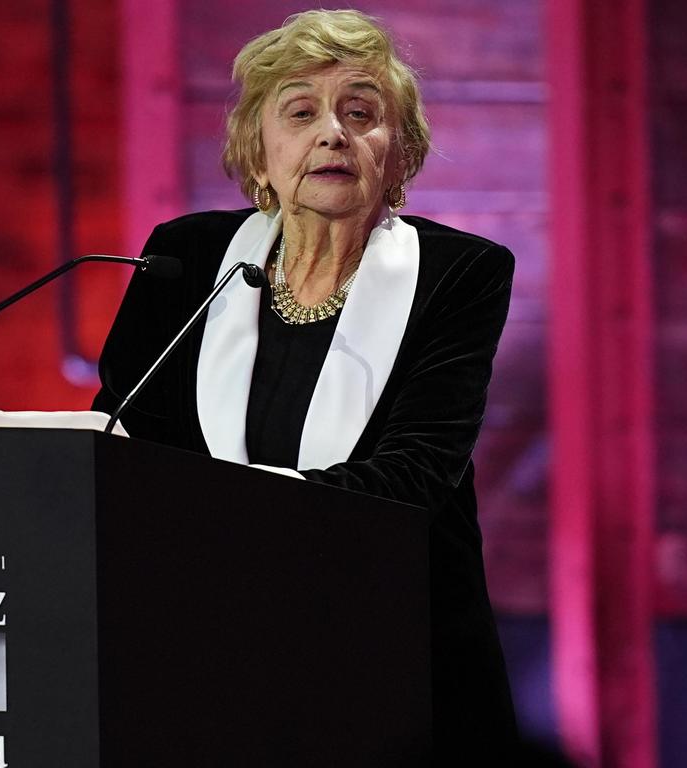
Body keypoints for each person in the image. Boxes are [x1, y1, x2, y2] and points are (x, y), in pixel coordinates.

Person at [92, 9, 517, 760]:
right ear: (258, 153)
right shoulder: (182, 261)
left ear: (401, 154)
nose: (333, 133)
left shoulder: (461, 275)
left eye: (361, 112)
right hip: (205, 652)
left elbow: (414, 476)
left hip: (396, 655)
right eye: (301, 111)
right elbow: (123, 447)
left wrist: (217, 515)